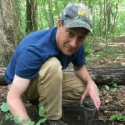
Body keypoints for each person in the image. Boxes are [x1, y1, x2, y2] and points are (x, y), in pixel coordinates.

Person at [5, 2, 101, 125]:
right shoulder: (33, 49)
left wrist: (90, 82)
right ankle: (51, 120)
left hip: (47, 81)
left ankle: (44, 102)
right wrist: (27, 123)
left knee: (88, 90)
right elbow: (13, 97)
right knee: (53, 65)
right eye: (70, 33)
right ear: (59, 24)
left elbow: (79, 68)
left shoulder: (77, 44)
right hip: (22, 87)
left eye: (80, 38)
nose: (73, 43)